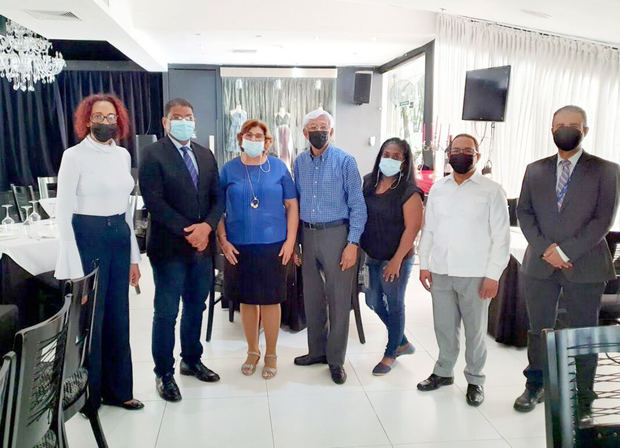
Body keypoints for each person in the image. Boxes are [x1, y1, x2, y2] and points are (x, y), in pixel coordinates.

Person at [514, 105, 620, 418]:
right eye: (560, 124)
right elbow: (524, 212)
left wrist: (566, 252)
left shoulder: (606, 169)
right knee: (538, 329)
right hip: (539, 263)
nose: (566, 129)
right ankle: (536, 385)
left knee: (583, 332)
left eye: (573, 124)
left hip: (585, 265)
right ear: (551, 129)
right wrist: (548, 248)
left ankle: (584, 397)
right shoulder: (535, 169)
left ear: (585, 130)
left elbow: (603, 219)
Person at [55, 93, 143, 410]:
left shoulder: (122, 156)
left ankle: (119, 390)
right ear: (87, 119)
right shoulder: (73, 156)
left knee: (119, 315)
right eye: (98, 116)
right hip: (87, 236)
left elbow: (126, 211)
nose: (104, 122)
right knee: (93, 318)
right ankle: (88, 397)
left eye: (110, 117)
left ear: (118, 120)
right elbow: (63, 215)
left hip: (119, 236)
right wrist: (75, 273)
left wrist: (134, 257)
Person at [139, 98, 223, 402]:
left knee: (196, 306)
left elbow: (218, 198)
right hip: (169, 248)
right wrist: (190, 231)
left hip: (202, 248)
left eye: (188, 117)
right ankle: (164, 373)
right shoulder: (152, 154)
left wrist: (208, 227)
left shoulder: (205, 154)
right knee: (166, 312)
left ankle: (192, 359)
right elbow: (155, 203)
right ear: (165, 122)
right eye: (177, 117)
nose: (183, 121)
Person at [417, 133, 510, 406]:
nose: (460, 154)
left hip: (476, 274)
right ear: (448, 154)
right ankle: (444, 372)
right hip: (442, 270)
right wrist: (424, 264)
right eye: (455, 149)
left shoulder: (491, 191)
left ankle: (475, 379)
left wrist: (493, 275)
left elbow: (501, 237)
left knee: (475, 331)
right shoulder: (437, 189)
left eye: (467, 150)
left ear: (477, 156)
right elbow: (429, 229)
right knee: (444, 327)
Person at [217, 119, 299, 379]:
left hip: (274, 245)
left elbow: (292, 206)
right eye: (249, 135)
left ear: (267, 141)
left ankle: (271, 353)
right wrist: (223, 240)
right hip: (238, 247)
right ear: (240, 138)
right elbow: (216, 210)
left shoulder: (278, 168)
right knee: (248, 302)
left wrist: (290, 242)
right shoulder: (228, 170)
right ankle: (253, 351)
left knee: (271, 301)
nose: (254, 140)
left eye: (259, 136)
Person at [293, 109, 367, 384]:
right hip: (307, 234)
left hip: (338, 234)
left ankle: (335, 360)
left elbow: (358, 205)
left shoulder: (345, 161)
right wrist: (297, 242)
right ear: (305, 132)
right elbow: (296, 202)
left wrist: (353, 243)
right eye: (312, 126)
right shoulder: (299, 161)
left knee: (337, 300)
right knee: (312, 297)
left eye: (323, 126)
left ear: (331, 131)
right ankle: (316, 352)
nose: (318, 130)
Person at [360, 138, 424, 375]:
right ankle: (403, 341)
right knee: (372, 301)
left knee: (395, 304)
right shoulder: (368, 182)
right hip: (372, 255)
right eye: (386, 154)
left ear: (405, 161)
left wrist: (397, 260)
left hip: (396, 258)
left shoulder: (409, 191)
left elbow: (413, 228)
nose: (390, 159)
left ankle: (391, 352)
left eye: (396, 156)